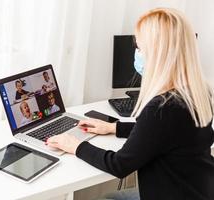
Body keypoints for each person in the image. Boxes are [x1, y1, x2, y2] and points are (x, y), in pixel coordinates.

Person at [46, 8, 214, 200]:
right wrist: (114, 127)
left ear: (158, 55)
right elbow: (163, 134)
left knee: (108, 198)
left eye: (140, 48)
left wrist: (75, 146)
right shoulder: (197, 91)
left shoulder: (161, 108)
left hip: (172, 193)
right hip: (197, 190)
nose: (136, 53)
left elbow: (119, 165)